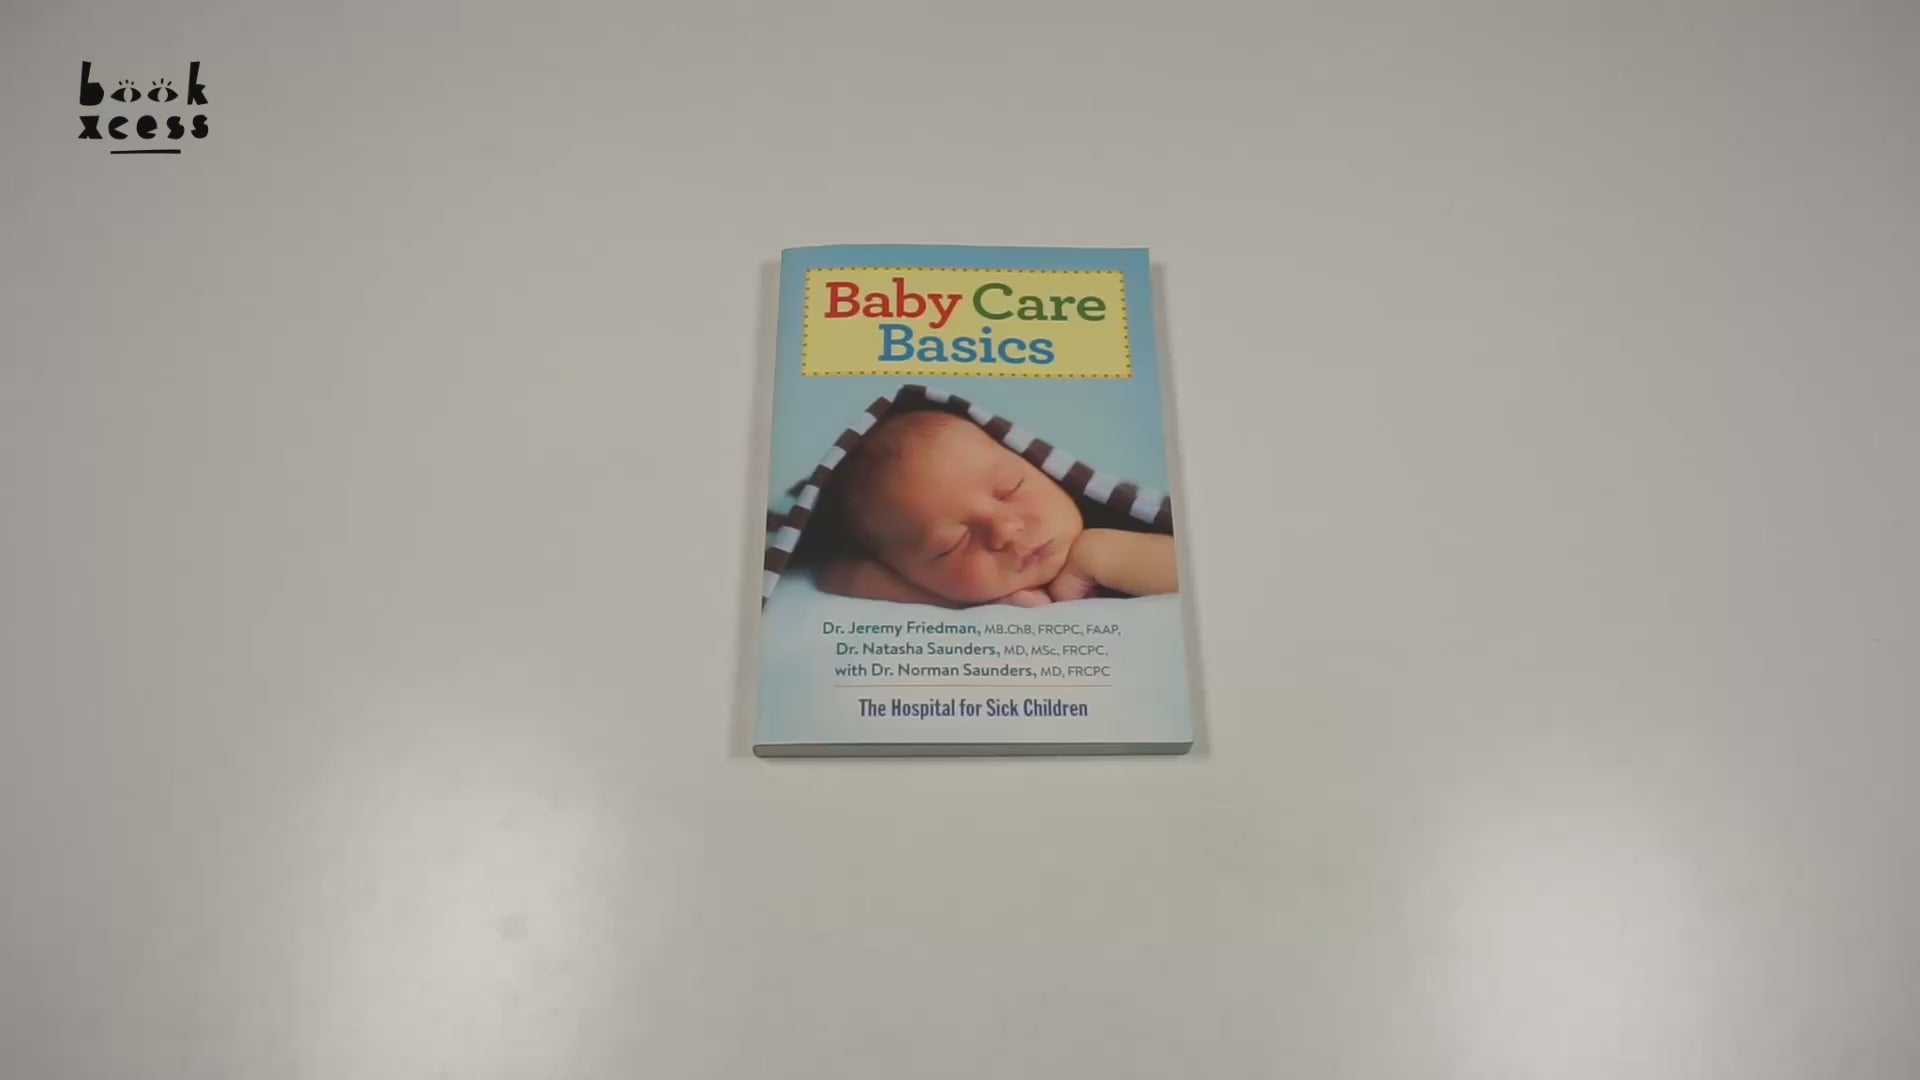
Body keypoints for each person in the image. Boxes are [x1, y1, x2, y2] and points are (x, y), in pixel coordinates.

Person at [813, 409, 1176, 607]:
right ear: (906, 573)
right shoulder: (981, 598)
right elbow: (837, 573)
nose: (1004, 529)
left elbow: (1205, 570)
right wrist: (953, 601)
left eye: (1010, 490)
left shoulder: (1123, 523)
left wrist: (1110, 554)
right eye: (950, 545)